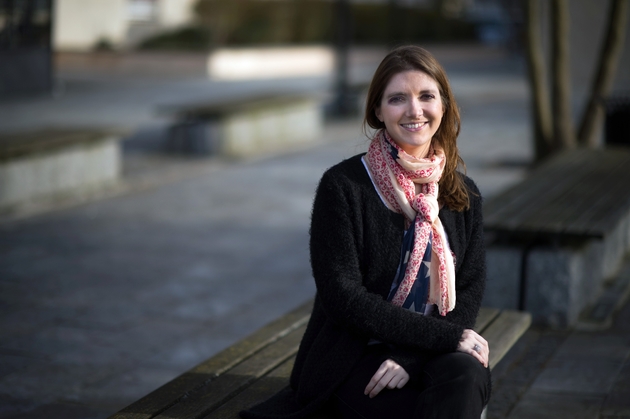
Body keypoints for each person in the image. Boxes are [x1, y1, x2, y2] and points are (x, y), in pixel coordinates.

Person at [241, 45, 490, 419]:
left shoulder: (463, 194)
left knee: (467, 374)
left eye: (426, 96)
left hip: (426, 350)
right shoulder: (343, 186)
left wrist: (410, 355)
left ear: (444, 105)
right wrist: (443, 339)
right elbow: (343, 297)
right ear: (377, 110)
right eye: (397, 99)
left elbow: (468, 290)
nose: (414, 110)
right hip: (352, 351)